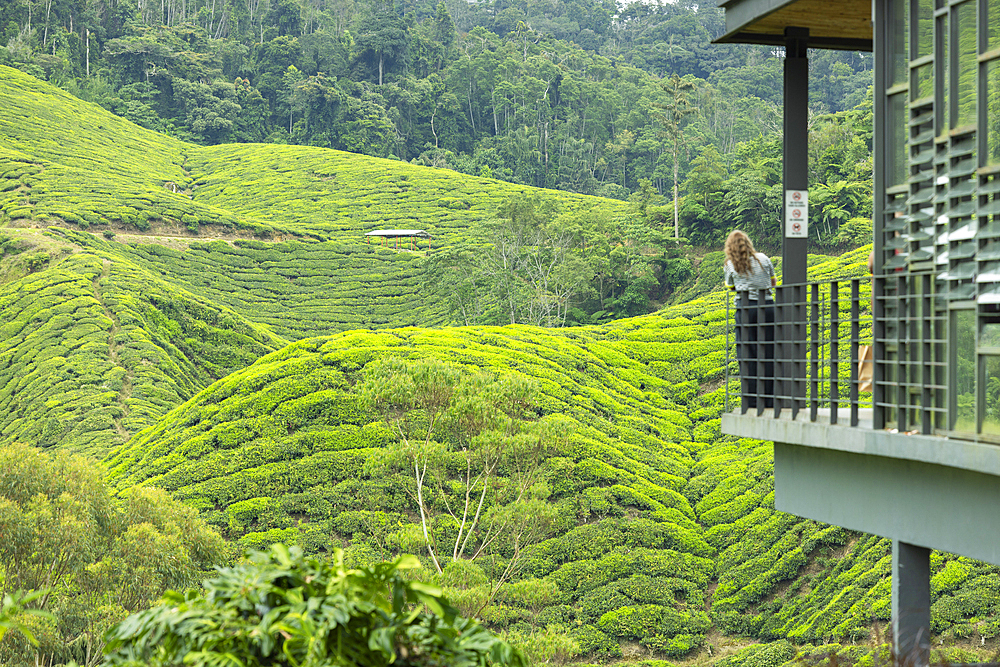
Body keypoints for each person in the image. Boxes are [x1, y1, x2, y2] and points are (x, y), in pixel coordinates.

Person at [724, 230, 776, 409]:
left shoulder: (731, 264)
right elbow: (773, 282)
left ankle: (752, 401)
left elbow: (730, 286)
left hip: (746, 309)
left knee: (747, 355)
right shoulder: (764, 258)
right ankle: (770, 400)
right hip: (768, 307)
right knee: (769, 353)